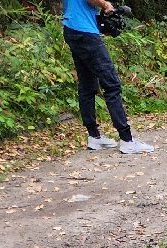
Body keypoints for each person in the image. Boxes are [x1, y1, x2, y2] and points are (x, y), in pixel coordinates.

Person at [61, 0, 155, 154]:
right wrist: (105, 4)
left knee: (87, 85)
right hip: (85, 32)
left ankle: (94, 137)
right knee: (112, 85)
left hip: (72, 29)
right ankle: (126, 140)